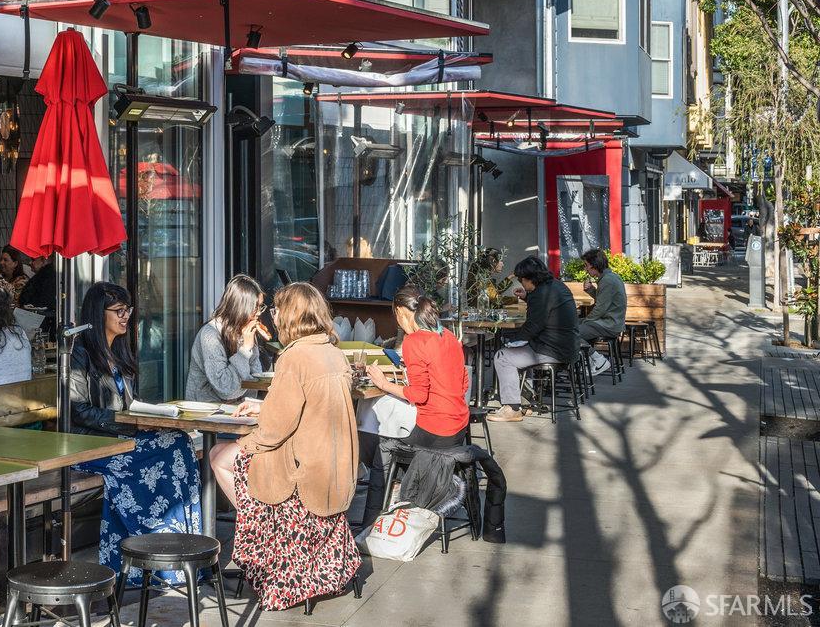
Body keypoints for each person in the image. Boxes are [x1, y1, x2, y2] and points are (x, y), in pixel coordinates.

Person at [210, 282, 360, 611]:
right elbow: (313, 407)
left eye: (278, 310)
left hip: (301, 473)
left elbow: (276, 430)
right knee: (231, 457)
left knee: (222, 457)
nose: (274, 317)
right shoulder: (333, 352)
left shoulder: (294, 357)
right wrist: (263, 407)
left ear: (291, 315)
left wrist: (245, 443)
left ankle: (261, 539)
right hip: (334, 468)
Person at [68, 282, 202, 583]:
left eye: (127, 310)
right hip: (90, 446)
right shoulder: (80, 353)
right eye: (119, 311)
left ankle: (181, 548)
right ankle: (157, 548)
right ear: (97, 313)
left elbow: (128, 404)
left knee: (179, 441)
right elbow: (78, 411)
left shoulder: (116, 352)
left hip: (118, 439)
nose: (125, 316)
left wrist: (144, 418)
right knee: (168, 449)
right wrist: (130, 423)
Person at [361, 289, 470, 525]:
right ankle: (409, 483)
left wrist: (383, 383)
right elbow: (463, 382)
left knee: (380, 445)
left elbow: (418, 395)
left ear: (401, 313)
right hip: (459, 426)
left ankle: (374, 519)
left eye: (396, 315)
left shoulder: (414, 341)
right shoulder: (449, 336)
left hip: (435, 430)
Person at [488, 256, 579, 423]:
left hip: (552, 349)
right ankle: (528, 402)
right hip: (569, 346)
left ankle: (512, 408)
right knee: (519, 352)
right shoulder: (557, 286)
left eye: (522, 280)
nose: (522, 284)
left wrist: (508, 341)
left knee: (502, 356)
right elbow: (545, 309)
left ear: (529, 278)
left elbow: (532, 327)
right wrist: (526, 297)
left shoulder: (540, 294)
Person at [185, 274, 266, 404]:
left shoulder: (245, 332)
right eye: (255, 307)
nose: (258, 313)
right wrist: (245, 349)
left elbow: (255, 377)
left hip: (240, 409)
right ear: (241, 307)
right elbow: (226, 389)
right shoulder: (210, 335)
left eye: (261, 306)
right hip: (207, 413)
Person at [579, 248, 627, 375]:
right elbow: (605, 301)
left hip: (609, 324)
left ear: (595, 266)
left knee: (571, 331)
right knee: (574, 325)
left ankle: (599, 361)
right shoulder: (609, 277)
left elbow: (600, 309)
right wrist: (591, 290)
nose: (586, 269)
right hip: (610, 322)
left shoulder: (607, 281)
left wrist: (585, 321)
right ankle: (587, 361)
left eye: (586, 265)